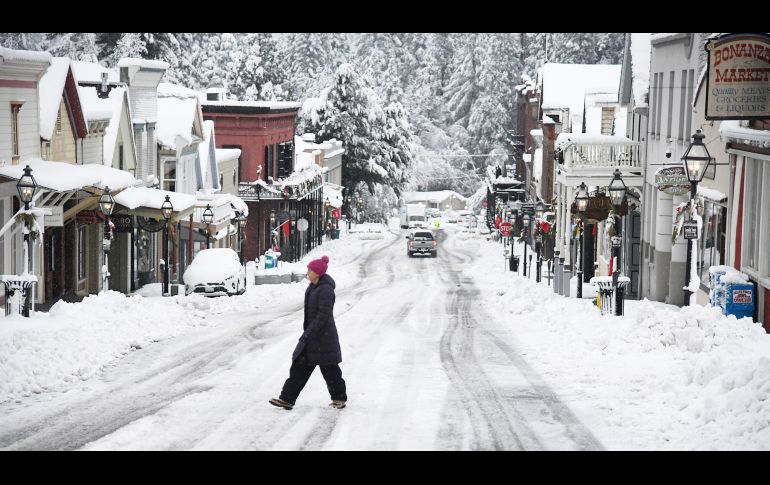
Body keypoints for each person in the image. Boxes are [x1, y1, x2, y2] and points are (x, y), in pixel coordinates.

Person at [270, 255, 347, 410]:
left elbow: (323, 315)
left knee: (331, 370)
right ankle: (286, 399)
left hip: (324, 339)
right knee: (299, 368)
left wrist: (309, 333)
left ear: (317, 273)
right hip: (313, 337)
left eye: (310, 270)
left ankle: (339, 399)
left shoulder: (325, 290)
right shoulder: (313, 287)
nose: (307, 272)